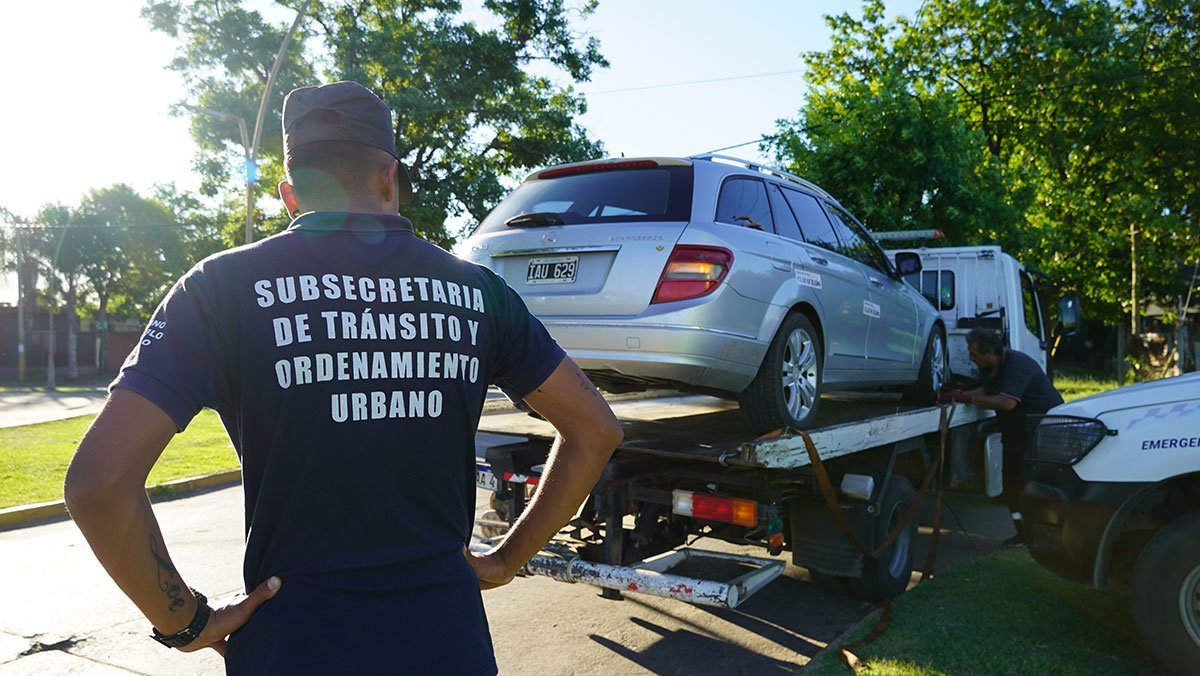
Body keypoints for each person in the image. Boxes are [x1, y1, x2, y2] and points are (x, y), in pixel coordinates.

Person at [63, 81, 623, 674]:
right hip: (447, 644)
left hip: (293, 648)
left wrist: (186, 621)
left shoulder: (219, 290)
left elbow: (99, 485)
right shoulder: (478, 293)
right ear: (389, 178)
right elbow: (594, 430)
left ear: (289, 195)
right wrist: (507, 560)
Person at [940, 327, 1063, 546]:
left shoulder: (1017, 365)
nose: (971, 357)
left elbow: (1007, 402)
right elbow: (987, 392)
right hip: (1015, 433)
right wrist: (957, 396)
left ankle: (1043, 534)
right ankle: (1022, 534)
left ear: (990, 353)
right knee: (1009, 485)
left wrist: (968, 399)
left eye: (974, 354)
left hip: (1039, 432)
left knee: (1027, 485)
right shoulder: (989, 368)